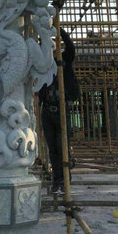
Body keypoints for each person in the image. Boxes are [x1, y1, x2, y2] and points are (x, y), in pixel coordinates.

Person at [38, 28, 80, 193]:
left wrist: (59, 30)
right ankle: (56, 179)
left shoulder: (65, 60)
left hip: (62, 109)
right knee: (53, 148)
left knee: (62, 146)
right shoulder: (45, 63)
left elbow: (71, 47)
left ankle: (65, 179)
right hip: (47, 110)